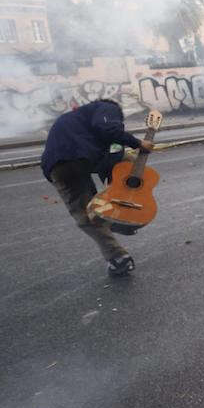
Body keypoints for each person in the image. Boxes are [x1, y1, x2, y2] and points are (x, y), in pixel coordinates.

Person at [40, 99, 154, 276]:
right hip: (78, 157)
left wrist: (110, 181)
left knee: (86, 212)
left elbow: (107, 152)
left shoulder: (76, 119)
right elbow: (108, 129)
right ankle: (119, 217)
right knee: (126, 162)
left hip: (57, 167)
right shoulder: (108, 107)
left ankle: (118, 256)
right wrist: (138, 143)